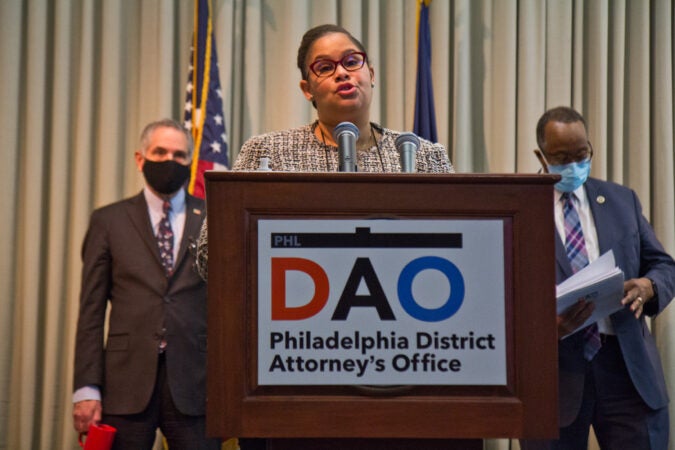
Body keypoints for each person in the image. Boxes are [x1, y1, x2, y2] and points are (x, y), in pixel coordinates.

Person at [196, 23, 454, 279]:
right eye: (325, 68)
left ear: (371, 75)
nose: (342, 73)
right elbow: (211, 255)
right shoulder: (268, 152)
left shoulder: (423, 155)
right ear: (307, 90)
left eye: (352, 61)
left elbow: (462, 244)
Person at [522, 106, 675, 449]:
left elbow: (664, 266)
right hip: (554, 374)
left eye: (581, 154)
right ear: (541, 156)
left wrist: (648, 286)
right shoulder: (521, 207)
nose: (574, 165)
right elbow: (502, 294)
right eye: (562, 157)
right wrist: (547, 325)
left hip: (626, 369)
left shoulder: (621, 201)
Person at [72, 119, 220, 450]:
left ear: (190, 162)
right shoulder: (108, 221)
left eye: (180, 155)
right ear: (140, 159)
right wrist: (86, 389)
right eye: (160, 152)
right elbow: (91, 313)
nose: (170, 161)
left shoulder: (215, 217)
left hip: (196, 388)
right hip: (125, 387)